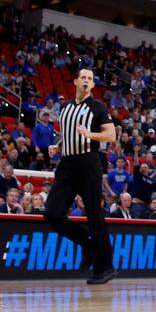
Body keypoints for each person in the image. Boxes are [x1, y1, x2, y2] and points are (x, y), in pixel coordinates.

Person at [44, 68, 117, 284]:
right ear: (76, 81)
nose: (86, 81)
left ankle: (106, 267)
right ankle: (88, 244)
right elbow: (68, 134)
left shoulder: (98, 106)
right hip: (67, 164)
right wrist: (57, 147)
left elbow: (111, 135)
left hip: (88, 163)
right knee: (52, 213)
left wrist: (90, 134)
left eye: (90, 79)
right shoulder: (65, 106)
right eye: (83, 77)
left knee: (95, 216)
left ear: (93, 85)